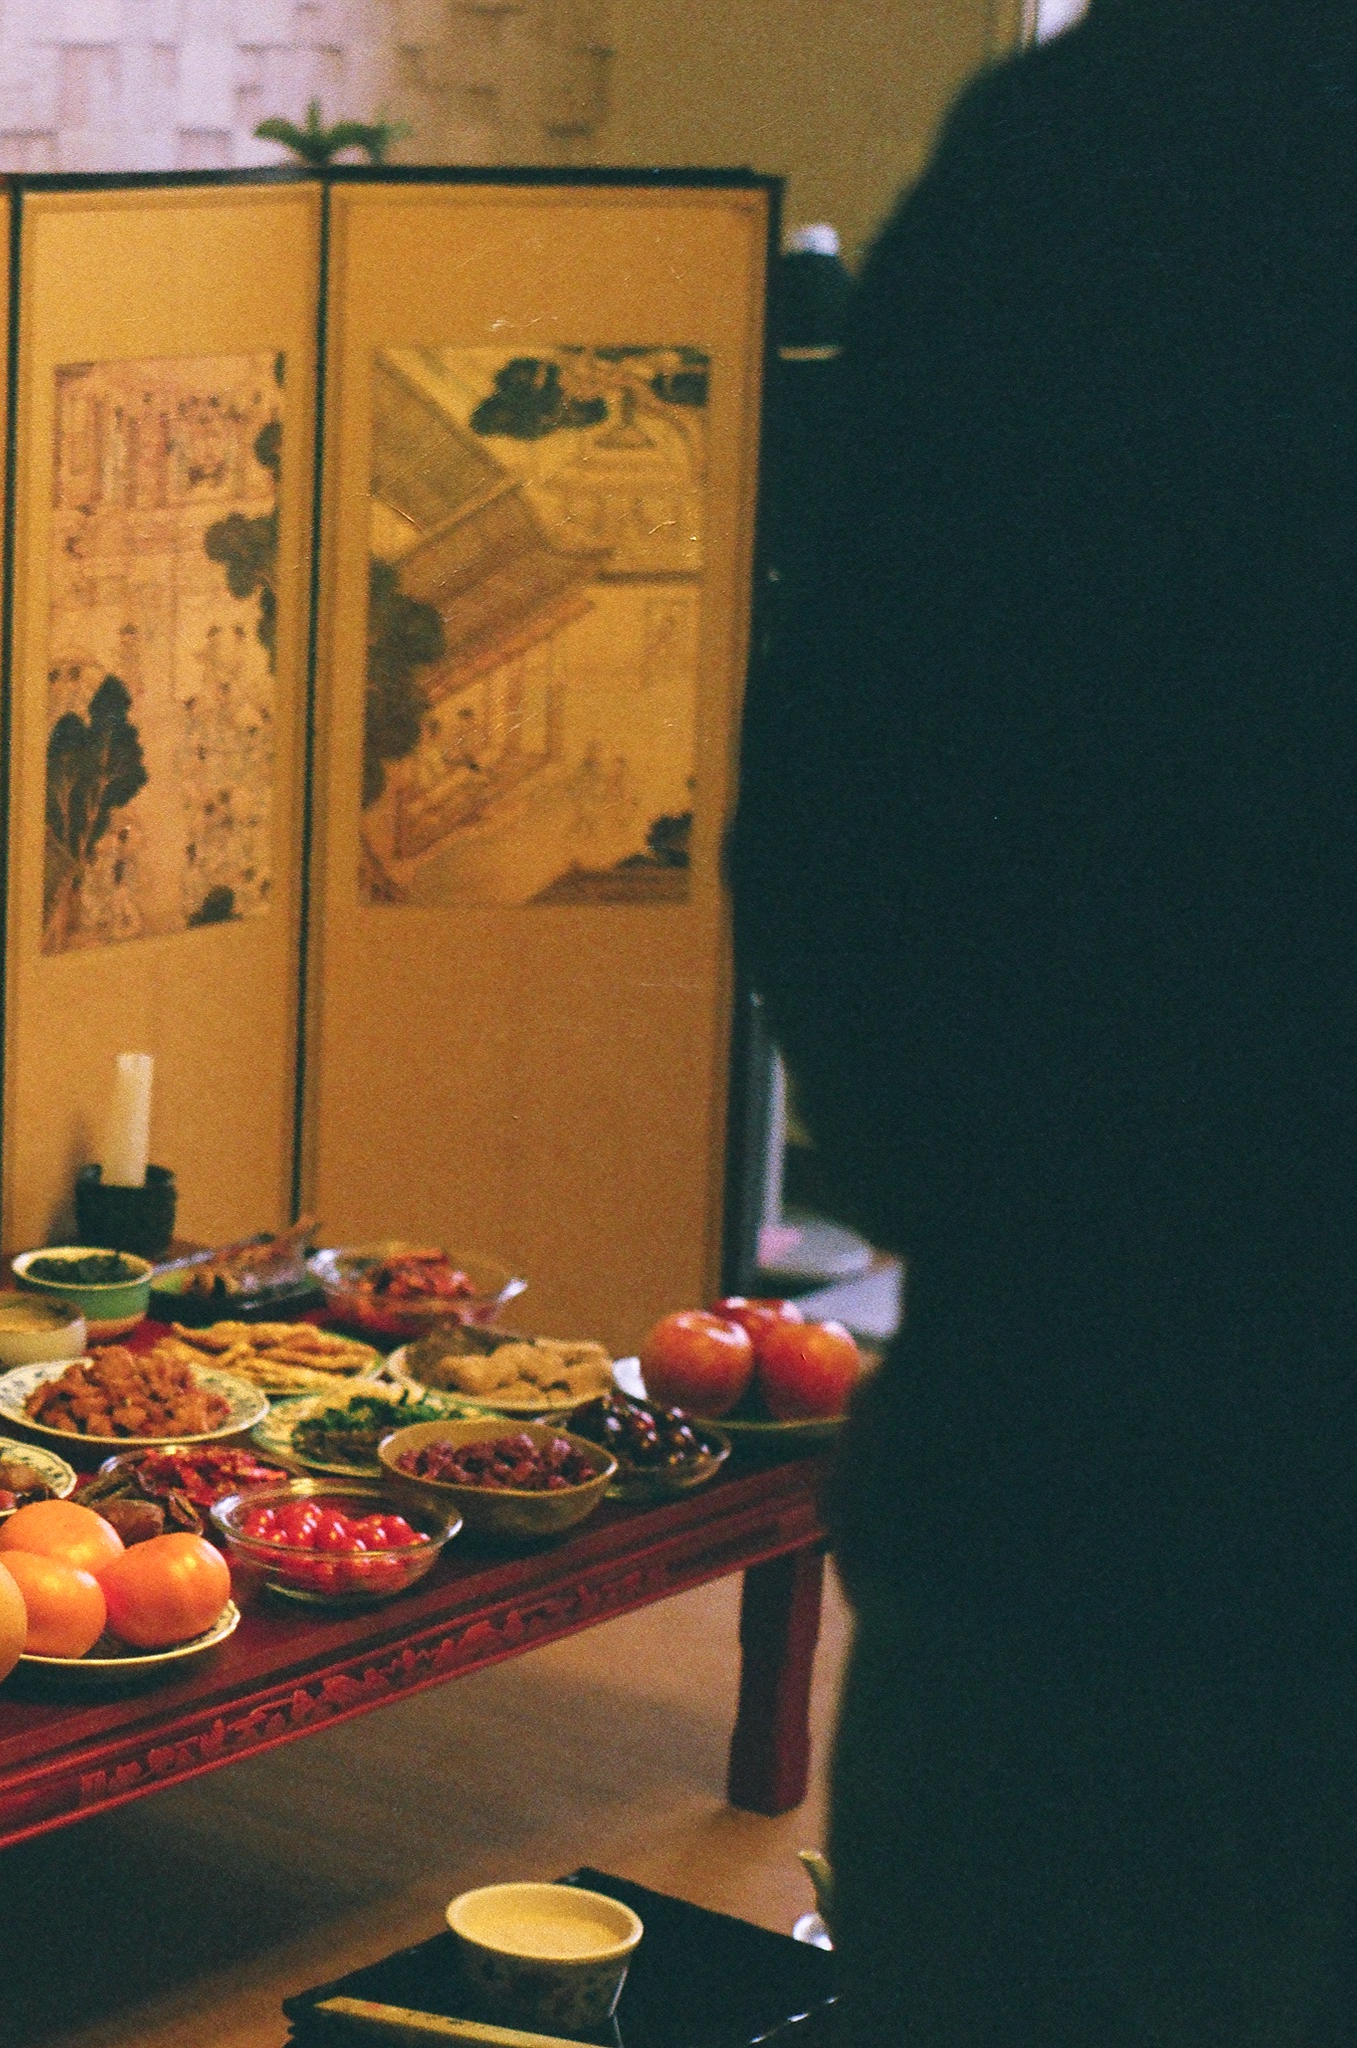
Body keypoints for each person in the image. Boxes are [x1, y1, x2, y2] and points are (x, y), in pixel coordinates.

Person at [727, 8, 1357, 2044]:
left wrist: (1006, 1234)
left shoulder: (1117, 146)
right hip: (1098, 1518)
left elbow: (839, 830)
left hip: (1092, 1526)